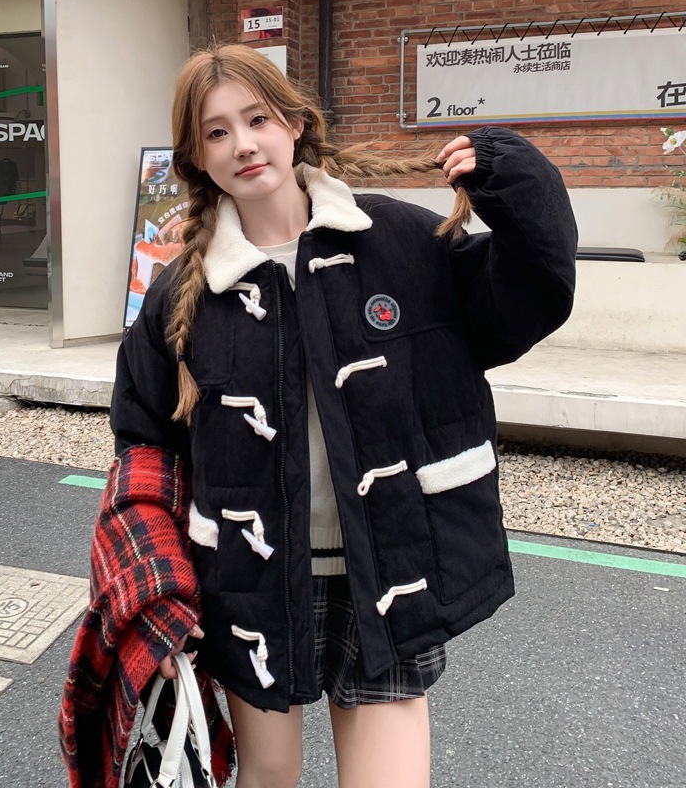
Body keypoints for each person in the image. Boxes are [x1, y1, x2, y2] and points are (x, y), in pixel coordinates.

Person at [60, 43, 577, 788]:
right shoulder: (182, 295)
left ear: (295, 124)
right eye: (216, 132)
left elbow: (528, 296)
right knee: (269, 778)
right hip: (252, 581)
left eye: (257, 120)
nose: (243, 145)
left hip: (390, 567)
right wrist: (158, 586)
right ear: (196, 157)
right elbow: (145, 442)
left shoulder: (402, 242)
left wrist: (515, 178)